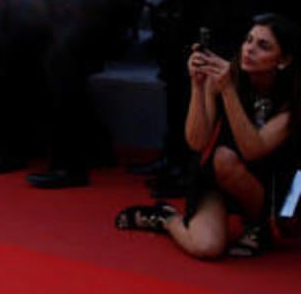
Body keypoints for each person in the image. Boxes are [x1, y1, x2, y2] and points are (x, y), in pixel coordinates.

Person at [115, 14, 299, 259]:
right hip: (217, 176)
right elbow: (197, 141)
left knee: (227, 159)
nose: (249, 50)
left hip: (272, 182)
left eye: (263, 46)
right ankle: (166, 219)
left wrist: (228, 92)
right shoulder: (226, 75)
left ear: (284, 60)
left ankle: (258, 226)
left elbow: (253, 151)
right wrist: (198, 86)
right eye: (248, 40)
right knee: (206, 247)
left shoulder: (291, 99)